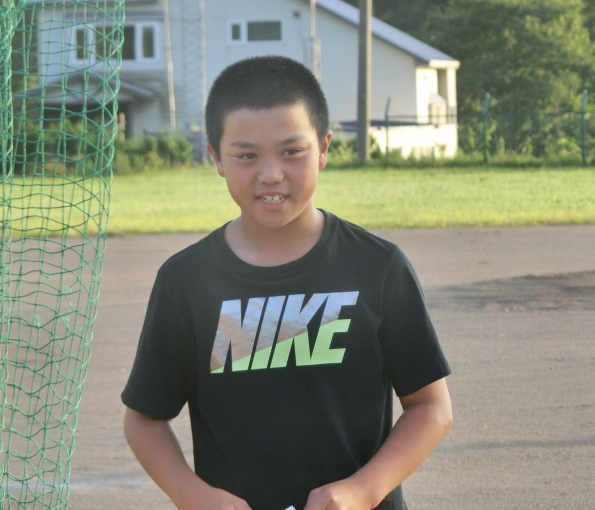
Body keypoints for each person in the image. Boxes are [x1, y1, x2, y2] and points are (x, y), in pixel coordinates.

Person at [121, 55, 452, 510]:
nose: (271, 174)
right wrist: (194, 496)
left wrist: (363, 490)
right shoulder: (186, 281)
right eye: (247, 155)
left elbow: (431, 407)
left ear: (324, 148)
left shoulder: (378, 267)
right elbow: (143, 420)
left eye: (292, 151)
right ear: (216, 158)